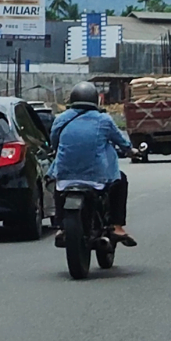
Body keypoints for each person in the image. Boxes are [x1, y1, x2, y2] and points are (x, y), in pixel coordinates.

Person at [49, 81, 136, 246]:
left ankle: (61, 226)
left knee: (57, 183)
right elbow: (122, 143)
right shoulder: (104, 120)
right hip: (95, 177)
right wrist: (132, 151)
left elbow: (54, 142)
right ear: (96, 101)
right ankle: (117, 226)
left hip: (65, 174)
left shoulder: (61, 119)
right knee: (120, 180)